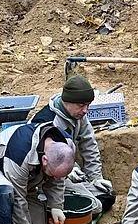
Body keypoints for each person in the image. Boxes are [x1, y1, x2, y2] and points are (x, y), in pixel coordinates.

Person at [31, 75, 116, 215]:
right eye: (81, 105)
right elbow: (43, 163)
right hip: (47, 181)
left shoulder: (78, 115)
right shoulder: (46, 122)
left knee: (107, 195)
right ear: (66, 101)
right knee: (94, 206)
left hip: (69, 175)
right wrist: (69, 171)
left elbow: (89, 147)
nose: (85, 110)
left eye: (88, 105)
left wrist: (96, 178)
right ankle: (46, 204)